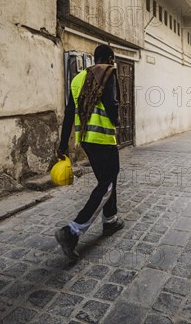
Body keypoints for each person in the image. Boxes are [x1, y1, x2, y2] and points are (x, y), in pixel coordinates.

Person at [54, 45, 124, 260]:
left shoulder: (77, 79)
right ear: (109, 58)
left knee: (107, 179)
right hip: (103, 138)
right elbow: (111, 104)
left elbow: (68, 113)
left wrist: (63, 144)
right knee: (107, 184)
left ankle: (110, 220)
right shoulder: (108, 72)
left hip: (85, 140)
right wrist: (116, 119)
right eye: (111, 59)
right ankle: (72, 231)